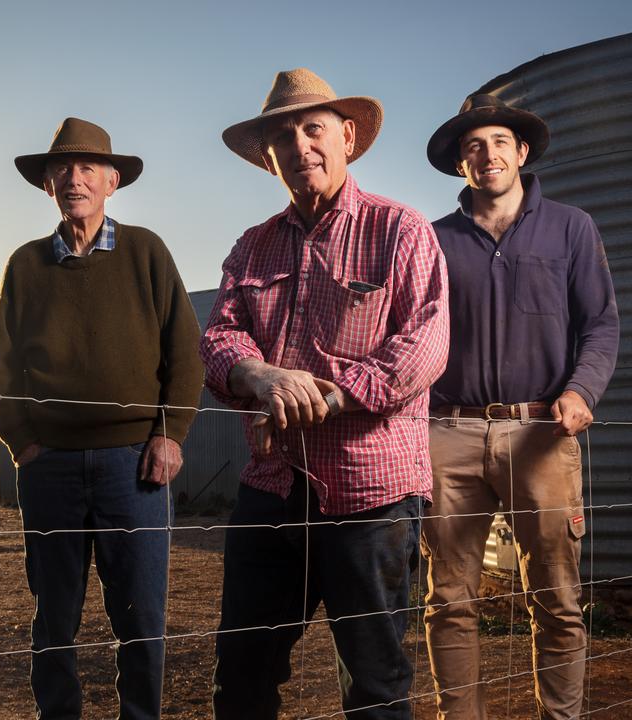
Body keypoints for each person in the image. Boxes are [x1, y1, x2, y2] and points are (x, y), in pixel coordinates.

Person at [200, 68, 450, 719]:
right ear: (268, 158)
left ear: (346, 137)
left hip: (371, 494)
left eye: (313, 129)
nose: (299, 145)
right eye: (282, 136)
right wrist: (261, 377)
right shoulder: (251, 249)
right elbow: (220, 338)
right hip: (273, 483)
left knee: (374, 683)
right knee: (243, 676)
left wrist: (331, 398)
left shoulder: (400, 230)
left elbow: (423, 349)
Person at [0, 116, 204, 720]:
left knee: (140, 616)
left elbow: (185, 353)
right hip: (48, 466)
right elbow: (0, 365)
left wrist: (170, 434)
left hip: (132, 465)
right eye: (62, 168)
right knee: (54, 617)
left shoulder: (147, 251)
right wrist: (23, 444)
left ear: (112, 181)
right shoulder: (26, 266)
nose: (74, 178)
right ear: (47, 184)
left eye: (87, 168)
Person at [420, 94, 620, 720]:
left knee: (556, 596)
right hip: (448, 432)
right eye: (473, 146)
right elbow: (413, 335)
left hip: (541, 431)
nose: (488, 154)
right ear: (461, 164)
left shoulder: (571, 227)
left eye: (499, 141)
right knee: (449, 600)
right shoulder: (433, 241)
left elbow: (602, 325)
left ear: (521, 151)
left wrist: (582, 391)